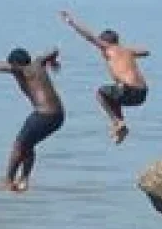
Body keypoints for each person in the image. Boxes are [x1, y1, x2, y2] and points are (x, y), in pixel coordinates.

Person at [0, 47, 64, 192]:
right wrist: (52, 61)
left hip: (44, 115)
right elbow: (54, 50)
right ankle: (24, 180)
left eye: (12, 65)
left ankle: (8, 180)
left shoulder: (22, 70)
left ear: (16, 64)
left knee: (18, 146)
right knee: (28, 144)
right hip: (58, 116)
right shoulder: (38, 63)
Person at [59, 10, 150, 144]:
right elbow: (146, 52)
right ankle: (121, 126)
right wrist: (130, 52)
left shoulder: (107, 48)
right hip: (142, 93)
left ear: (104, 42)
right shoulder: (127, 51)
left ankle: (117, 122)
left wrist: (70, 22)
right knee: (114, 97)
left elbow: (89, 36)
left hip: (129, 90)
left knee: (100, 93)